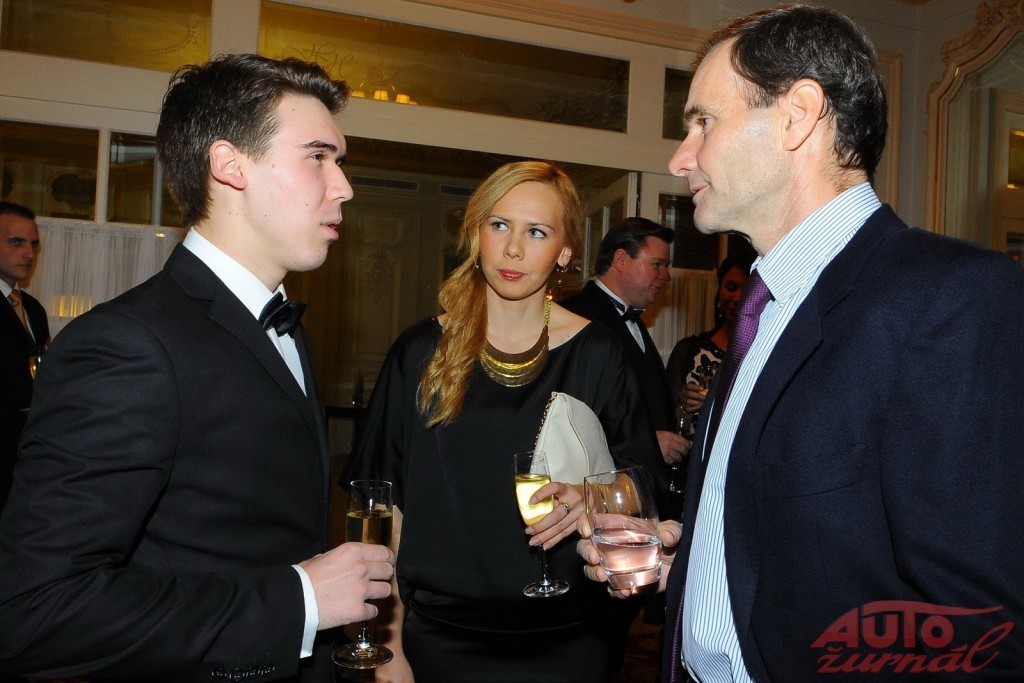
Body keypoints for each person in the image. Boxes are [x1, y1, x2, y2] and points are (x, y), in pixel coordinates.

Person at [579, 5, 1024, 682]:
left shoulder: (951, 298)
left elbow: (983, 633)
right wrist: (689, 563)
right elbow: (817, 545)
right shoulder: (766, 306)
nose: (680, 158)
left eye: (704, 122)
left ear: (798, 115)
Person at [0, 54, 395, 681]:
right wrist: (299, 601)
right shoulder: (127, 345)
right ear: (229, 165)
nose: (343, 186)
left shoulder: (284, 327)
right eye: (318, 157)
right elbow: (34, 613)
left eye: (339, 161)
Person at [344, 161, 665, 683]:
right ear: (477, 235)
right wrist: (389, 642)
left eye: (536, 232)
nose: (514, 249)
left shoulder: (598, 354)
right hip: (441, 635)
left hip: (571, 636)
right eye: (500, 226)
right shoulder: (420, 352)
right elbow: (383, 509)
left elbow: (645, 484)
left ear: (565, 251)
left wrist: (591, 497)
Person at [560, 217, 689, 477]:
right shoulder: (574, 318)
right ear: (620, 260)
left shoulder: (633, 319)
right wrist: (646, 445)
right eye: (657, 264)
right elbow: (566, 416)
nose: (666, 276)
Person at [0, 201, 48, 512]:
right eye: (16, 242)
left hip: (23, 456)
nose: (29, 254)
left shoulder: (32, 308)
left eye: (34, 244)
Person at [665, 256, 750, 427]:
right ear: (719, 292)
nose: (737, 298)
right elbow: (665, 420)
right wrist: (684, 406)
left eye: (747, 290)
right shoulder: (688, 351)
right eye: (731, 287)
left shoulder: (764, 355)